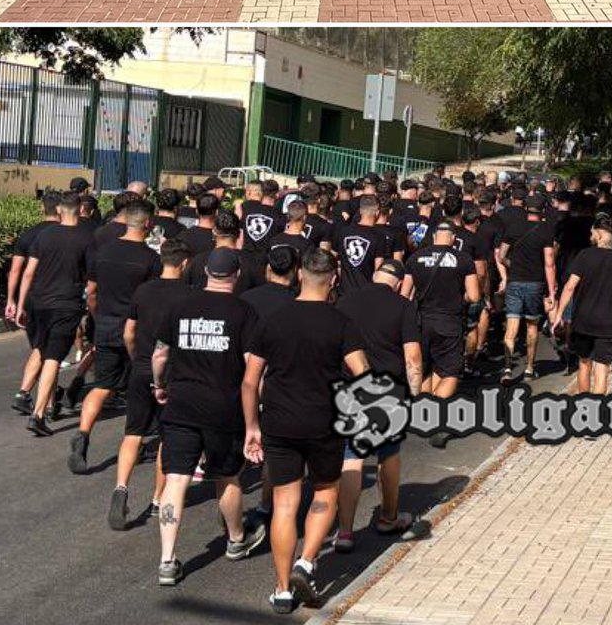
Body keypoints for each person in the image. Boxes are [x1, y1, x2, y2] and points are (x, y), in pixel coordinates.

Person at [242, 247, 367, 613]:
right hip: (324, 421)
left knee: (284, 502)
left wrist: (251, 427)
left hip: (279, 420)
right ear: (334, 279)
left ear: (300, 275)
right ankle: (307, 561)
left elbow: (250, 381)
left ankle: (282, 590)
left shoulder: (273, 320)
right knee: (326, 491)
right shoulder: (341, 322)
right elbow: (363, 373)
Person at [151, 248, 266, 587]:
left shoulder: (179, 306)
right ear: (236, 275)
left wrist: (159, 385)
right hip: (224, 408)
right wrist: (256, 411)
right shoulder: (244, 312)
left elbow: (160, 354)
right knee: (226, 477)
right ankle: (236, 539)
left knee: (176, 480)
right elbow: (252, 367)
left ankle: (167, 560)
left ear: (205, 274)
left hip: (181, 404)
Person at [335, 258, 421, 553]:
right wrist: (416, 394)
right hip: (389, 388)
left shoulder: (345, 301)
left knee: (352, 457)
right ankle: (388, 517)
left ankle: (345, 531)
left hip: (351, 385)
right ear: (398, 284)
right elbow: (412, 357)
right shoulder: (403, 307)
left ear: (375, 275)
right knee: (389, 454)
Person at [67, 202, 161, 474]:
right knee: (138, 390)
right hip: (137, 331)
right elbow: (152, 299)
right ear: (148, 224)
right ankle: (136, 442)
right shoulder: (150, 259)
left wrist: (99, 318)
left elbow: (92, 292)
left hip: (106, 325)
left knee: (102, 385)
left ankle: (83, 434)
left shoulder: (104, 252)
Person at [109, 239, 193, 530]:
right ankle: (157, 499)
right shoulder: (189, 295)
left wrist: (136, 359)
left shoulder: (143, 290)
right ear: (184, 263)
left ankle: (121, 487)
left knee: (133, 432)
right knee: (166, 438)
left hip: (141, 367)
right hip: (171, 374)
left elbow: (128, 333)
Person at [14, 192, 93, 436]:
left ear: (59, 210)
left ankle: (30, 396)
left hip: (38, 303)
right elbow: (92, 280)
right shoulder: (87, 238)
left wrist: (20, 305)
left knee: (41, 348)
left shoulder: (45, 235)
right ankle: (39, 414)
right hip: (66, 304)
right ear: (80, 209)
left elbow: (28, 272)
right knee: (53, 358)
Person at [401, 219, 479, 448]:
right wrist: (459, 297)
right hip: (449, 323)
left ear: (434, 236)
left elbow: (405, 295)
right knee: (451, 372)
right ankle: (438, 416)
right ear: (453, 238)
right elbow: (474, 296)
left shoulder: (415, 258)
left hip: (421, 322)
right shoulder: (463, 259)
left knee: (428, 370)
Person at [549, 213, 612, 394]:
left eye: (592, 233)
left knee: (584, 364)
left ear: (599, 234)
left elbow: (569, 287)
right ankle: (597, 407)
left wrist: (559, 314)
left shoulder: (584, 255)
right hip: (609, 322)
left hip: (583, 321)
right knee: (602, 369)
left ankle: (585, 404)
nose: (590, 236)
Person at [6, 192, 60, 415]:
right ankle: (35, 398)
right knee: (50, 351)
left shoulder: (28, 235)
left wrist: (11, 300)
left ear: (41, 208)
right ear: (60, 209)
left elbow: (15, 270)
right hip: (55, 298)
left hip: (30, 299)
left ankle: (46, 400)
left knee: (43, 348)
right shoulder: (63, 235)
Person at [496, 187, 556, 382]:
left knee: (511, 326)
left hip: (515, 281)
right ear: (543, 210)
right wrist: (551, 291)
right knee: (532, 326)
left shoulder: (514, 228)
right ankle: (529, 368)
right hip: (535, 283)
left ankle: (507, 368)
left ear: (526, 208)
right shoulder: (546, 231)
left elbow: (501, 255)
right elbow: (549, 263)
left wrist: (511, 265)